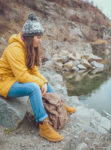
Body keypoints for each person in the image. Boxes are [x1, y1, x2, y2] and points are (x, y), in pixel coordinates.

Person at [0, 13, 76, 142]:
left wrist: (44, 82)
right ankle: (44, 126)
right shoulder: (14, 49)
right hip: (4, 82)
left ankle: (60, 104)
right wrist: (40, 84)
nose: (40, 40)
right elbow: (22, 76)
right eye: (38, 37)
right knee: (34, 87)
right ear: (30, 37)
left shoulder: (29, 48)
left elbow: (34, 71)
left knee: (43, 80)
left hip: (15, 80)